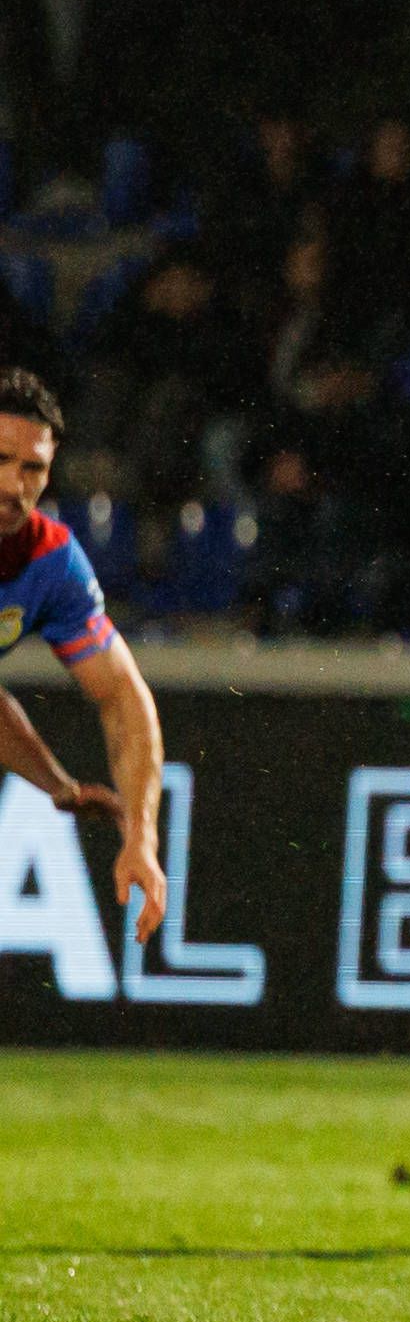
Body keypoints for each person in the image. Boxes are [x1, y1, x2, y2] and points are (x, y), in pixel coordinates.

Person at [0, 369, 170, 947]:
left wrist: (140, 834)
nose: (14, 485)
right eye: (0, 460)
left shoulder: (51, 561)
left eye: (33, 468)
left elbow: (124, 697)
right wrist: (55, 783)